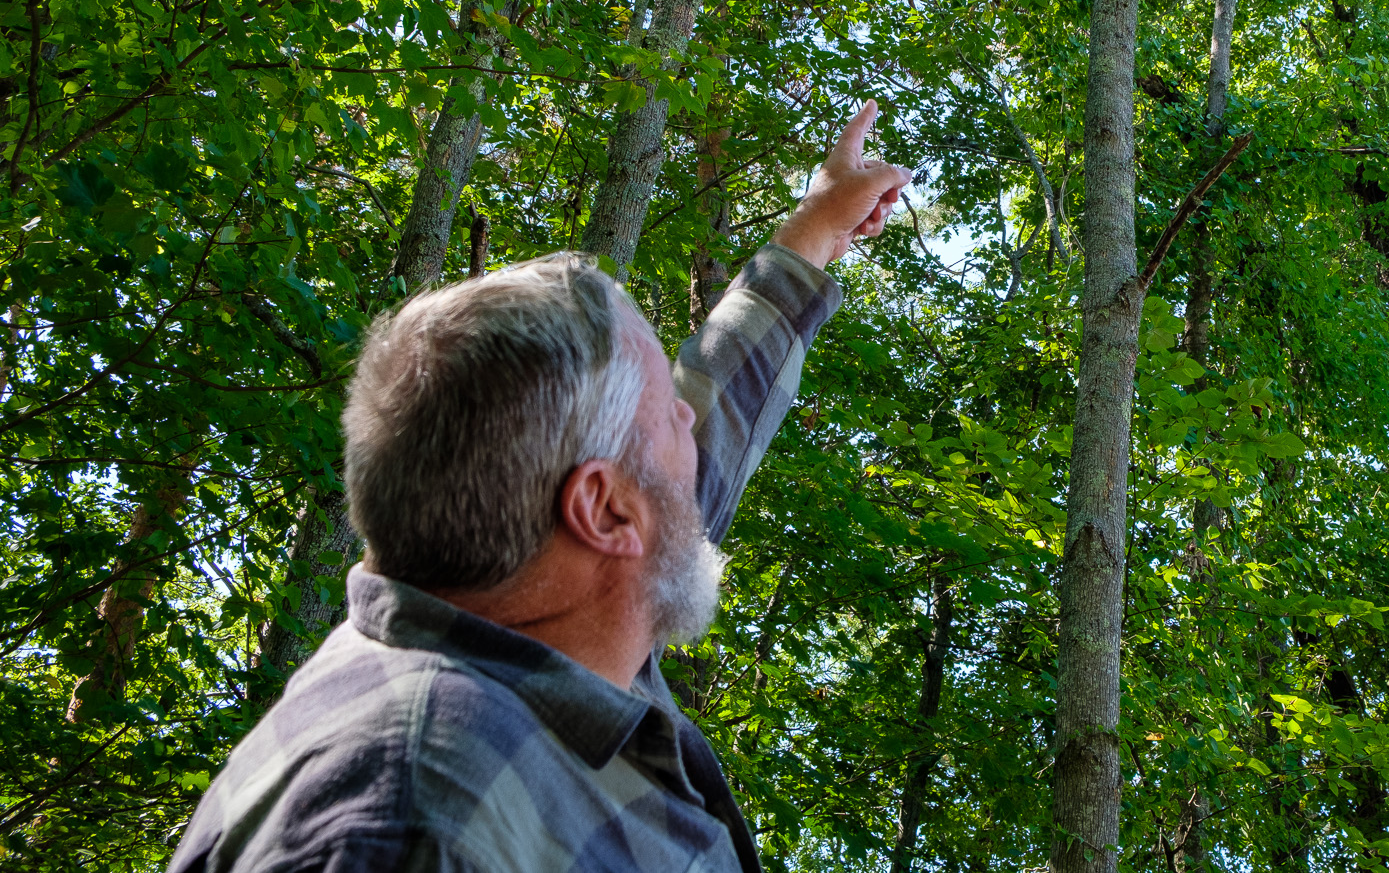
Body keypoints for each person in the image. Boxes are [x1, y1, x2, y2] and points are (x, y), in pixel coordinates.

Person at [171, 101, 912, 873]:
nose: (689, 418)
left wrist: (819, 225)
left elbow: (702, 428)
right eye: (666, 413)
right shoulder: (404, 828)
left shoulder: (542, 609)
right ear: (604, 509)